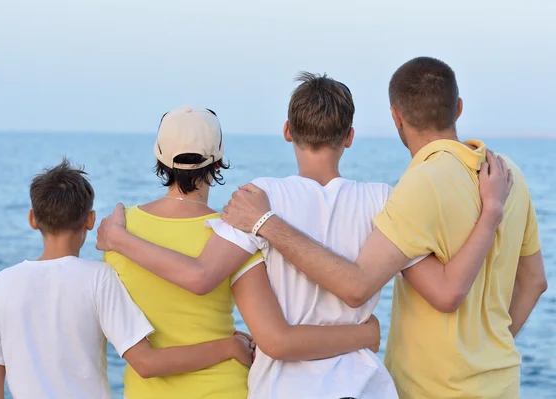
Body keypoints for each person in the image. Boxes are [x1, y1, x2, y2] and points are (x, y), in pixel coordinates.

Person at [96, 74, 510, 399]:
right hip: (363, 386)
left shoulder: (262, 197)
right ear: (349, 137)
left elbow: (202, 277)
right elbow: (445, 293)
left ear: (287, 131)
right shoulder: (382, 201)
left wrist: (119, 238)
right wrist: (489, 214)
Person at [221, 58, 548, 399]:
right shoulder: (509, 174)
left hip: (433, 387)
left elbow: (359, 285)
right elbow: (535, 282)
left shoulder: (418, 185)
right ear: (459, 108)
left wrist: (264, 222)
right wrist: (490, 347)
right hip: (502, 381)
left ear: (396, 117)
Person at [99, 105, 381, 399]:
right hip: (224, 388)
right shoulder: (232, 233)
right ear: (218, 161)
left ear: (158, 157)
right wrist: (365, 334)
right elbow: (274, 336)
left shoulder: (117, 230)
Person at [0, 160, 254, 399]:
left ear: (33, 219)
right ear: (90, 220)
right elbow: (146, 363)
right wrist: (227, 347)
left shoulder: (2, 284)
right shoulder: (98, 279)